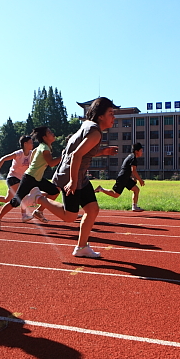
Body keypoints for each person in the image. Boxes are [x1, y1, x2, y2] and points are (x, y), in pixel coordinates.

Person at [22, 97, 119, 258]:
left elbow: (82, 151)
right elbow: (76, 155)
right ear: (101, 116)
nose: (113, 117)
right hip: (71, 175)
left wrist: (103, 151)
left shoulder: (88, 125)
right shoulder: (95, 132)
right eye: (110, 113)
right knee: (70, 216)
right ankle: (38, 198)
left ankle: (82, 247)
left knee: (92, 209)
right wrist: (73, 181)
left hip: (77, 174)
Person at [0, 126, 60, 231]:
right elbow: (51, 163)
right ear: (44, 137)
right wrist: (64, 156)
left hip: (37, 178)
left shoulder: (44, 147)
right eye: (50, 132)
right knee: (16, 201)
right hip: (29, 178)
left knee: (55, 191)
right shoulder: (44, 148)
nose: (53, 133)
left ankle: (38, 211)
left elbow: (39, 159)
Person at [0, 135, 34, 221]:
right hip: (13, 178)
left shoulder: (32, 154)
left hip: (21, 179)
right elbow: (3, 159)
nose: (33, 144)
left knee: (8, 199)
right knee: (23, 194)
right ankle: (24, 215)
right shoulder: (18, 154)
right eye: (31, 142)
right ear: (25, 144)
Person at [95, 142, 145, 212]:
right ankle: (101, 189)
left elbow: (129, 170)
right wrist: (140, 180)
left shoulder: (131, 156)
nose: (142, 152)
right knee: (116, 195)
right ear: (136, 151)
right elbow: (133, 171)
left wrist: (133, 178)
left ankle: (134, 206)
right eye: (141, 151)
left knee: (136, 190)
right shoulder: (133, 158)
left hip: (126, 178)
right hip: (123, 178)